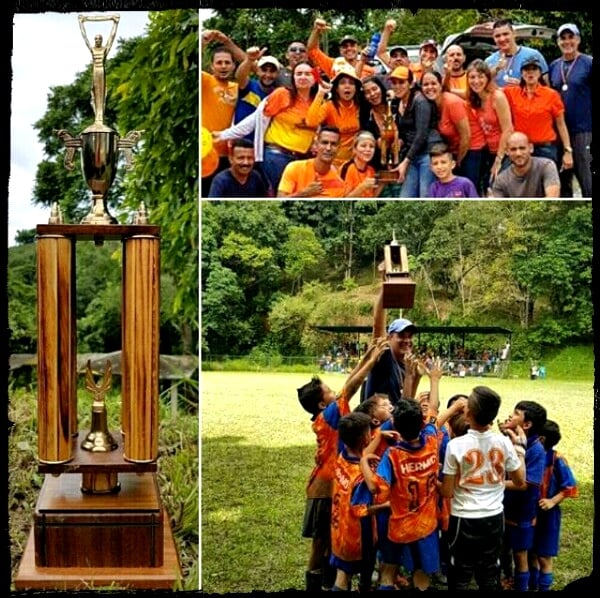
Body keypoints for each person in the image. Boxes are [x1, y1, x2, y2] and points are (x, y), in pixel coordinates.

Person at [298, 336, 389, 592]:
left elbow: (347, 383)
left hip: (331, 484)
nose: (334, 392)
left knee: (333, 535)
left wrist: (366, 356)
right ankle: (314, 584)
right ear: (321, 403)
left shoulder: (327, 412)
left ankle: (331, 581)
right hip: (322, 489)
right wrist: (371, 361)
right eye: (329, 392)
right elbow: (351, 386)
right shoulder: (328, 417)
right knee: (321, 541)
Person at [440, 386, 527, 591]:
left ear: (467, 413)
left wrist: (432, 482)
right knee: (489, 572)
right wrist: (520, 450)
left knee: (460, 574)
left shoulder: (456, 445)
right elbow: (520, 481)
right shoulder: (504, 443)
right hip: (494, 517)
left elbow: (447, 492)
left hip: (463, 518)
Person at [359, 397, 442, 591]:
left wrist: (363, 462)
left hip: (399, 526)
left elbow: (374, 488)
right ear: (421, 422)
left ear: (394, 423)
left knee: (389, 571)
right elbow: (434, 410)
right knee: (420, 572)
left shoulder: (392, 455)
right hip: (425, 525)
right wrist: (435, 379)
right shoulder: (431, 439)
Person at [329, 411, 398, 592]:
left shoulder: (342, 456)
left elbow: (361, 453)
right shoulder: (361, 478)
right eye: (370, 432)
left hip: (339, 529)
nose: (373, 434)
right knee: (347, 577)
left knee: (343, 573)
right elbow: (361, 509)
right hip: (358, 535)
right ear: (364, 438)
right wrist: (387, 506)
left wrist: (378, 438)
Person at [498, 400, 547, 592]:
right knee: (507, 550)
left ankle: (522, 586)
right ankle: (513, 581)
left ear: (526, 425)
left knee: (520, 555)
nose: (510, 416)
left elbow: (524, 484)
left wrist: (495, 484)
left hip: (522, 514)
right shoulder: (512, 442)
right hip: (507, 509)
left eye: (516, 414)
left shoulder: (536, 450)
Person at [528, 419, 578, 591]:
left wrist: (552, 500)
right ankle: (532, 584)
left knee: (544, 556)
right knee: (530, 553)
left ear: (541, 439)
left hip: (548, 516)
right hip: (530, 511)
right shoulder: (529, 455)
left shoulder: (557, 460)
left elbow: (570, 486)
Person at [503, 57, 574, 173]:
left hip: (544, 148)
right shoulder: (511, 92)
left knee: (546, 184)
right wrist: (497, 69)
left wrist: (568, 151)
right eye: (526, 70)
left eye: (534, 69)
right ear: (521, 73)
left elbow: (561, 124)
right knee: (505, 180)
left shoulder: (551, 95)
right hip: (519, 149)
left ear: (540, 72)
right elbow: (489, 90)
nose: (530, 72)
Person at [548, 23, 592, 197]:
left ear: (578, 39)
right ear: (558, 42)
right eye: (563, 38)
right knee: (562, 180)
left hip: (583, 130)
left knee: (587, 178)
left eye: (571, 37)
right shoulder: (553, 66)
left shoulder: (588, 63)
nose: (567, 42)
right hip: (558, 131)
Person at [201, 30, 246, 196]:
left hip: (228, 154)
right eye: (219, 63)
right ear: (211, 66)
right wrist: (203, 41)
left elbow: (251, 64)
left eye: (227, 63)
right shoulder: (205, 81)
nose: (223, 66)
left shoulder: (237, 87)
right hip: (206, 152)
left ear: (234, 66)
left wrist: (228, 42)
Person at [362, 280, 420, 407]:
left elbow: (407, 402)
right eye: (401, 335)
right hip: (378, 424)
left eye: (410, 336)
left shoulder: (406, 366)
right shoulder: (385, 357)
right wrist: (386, 287)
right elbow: (377, 324)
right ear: (389, 337)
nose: (407, 340)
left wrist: (416, 377)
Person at [390, 66, 444, 197]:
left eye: (402, 82)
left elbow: (421, 135)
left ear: (411, 83)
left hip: (428, 153)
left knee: (425, 195)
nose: (398, 86)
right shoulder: (397, 102)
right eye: (394, 83)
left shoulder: (420, 101)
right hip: (413, 154)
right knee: (405, 196)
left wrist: (405, 161)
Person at [465, 58, 514, 195]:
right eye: (472, 77)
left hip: (504, 152)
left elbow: (508, 129)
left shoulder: (497, 97)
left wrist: (498, 160)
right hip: (487, 151)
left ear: (487, 78)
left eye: (480, 77)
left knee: (495, 189)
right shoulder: (474, 98)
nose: (476, 81)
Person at [305, 63, 363, 167]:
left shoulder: (361, 106)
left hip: (355, 162)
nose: (347, 86)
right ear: (336, 88)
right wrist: (320, 94)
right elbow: (311, 122)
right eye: (342, 83)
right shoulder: (329, 106)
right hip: (332, 162)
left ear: (356, 88)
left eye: (351, 83)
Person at [420, 70, 472, 172]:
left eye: (434, 83)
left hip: (470, 150)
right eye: (425, 84)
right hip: (453, 151)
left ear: (440, 85)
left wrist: (457, 161)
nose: (430, 87)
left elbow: (466, 137)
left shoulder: (452, 103)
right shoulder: (430, 105)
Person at [277, 125, 346, 197]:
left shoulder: (339, 183)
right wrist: (304, 193)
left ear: (339, 148)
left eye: (333, 144)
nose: (328, 148)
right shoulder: (294, 168)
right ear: (316, 145)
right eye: (324, 143)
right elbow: (280, 199)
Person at [78, 14, 120, 125]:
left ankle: (100, 117)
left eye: (99, 38)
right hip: (95, 72)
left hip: (101, 71)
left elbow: (112, 38)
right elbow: (84, 37)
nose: (97, 40)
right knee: (94, 94)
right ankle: (97, 116)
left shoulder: (104, 50)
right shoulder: (92, 49)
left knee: (102, 95)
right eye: (96, 38)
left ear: (102, 40)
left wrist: (115, 23)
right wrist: (81, 23)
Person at [490, 131, 560, 197]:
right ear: (507, 152)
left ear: (531, 148)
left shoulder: (546, 166)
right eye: (513, 149)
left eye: (522, 148)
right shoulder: (501, 180)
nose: (518, 153)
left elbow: (552, 198)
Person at [485, 18, 549, 88]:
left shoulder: (533, 55)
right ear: (493, 38)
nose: (502, 39)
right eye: (497, 36)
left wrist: (523, 86)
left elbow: (546, 87)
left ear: (514, 34)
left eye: (505, 34)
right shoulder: (489, 62)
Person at [306, 18, 377, 81]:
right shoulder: (333, 64)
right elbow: (312, 49)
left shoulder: (369, 70)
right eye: (345, 46)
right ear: (340, 50)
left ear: (359, 48)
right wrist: (316, 30)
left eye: (352, 45)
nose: (349, 48)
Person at [233, 50, 281, 140]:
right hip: (241, 141)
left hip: (262, 144)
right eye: (264, 70)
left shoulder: (279, 94)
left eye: (272, 71)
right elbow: (239, 76)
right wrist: (249, 60)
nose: (268, 75)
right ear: (258, 71)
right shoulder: (248, 85)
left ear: (277, 74)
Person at [340, 131, 384, 198]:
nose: (368, 149)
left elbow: (371, 197)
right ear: (355, 149)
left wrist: (382, 183)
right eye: (363, 146)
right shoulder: (348, 168)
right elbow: (344, 199)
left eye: (371, 146)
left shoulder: (371, 170)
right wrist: (362, 187)